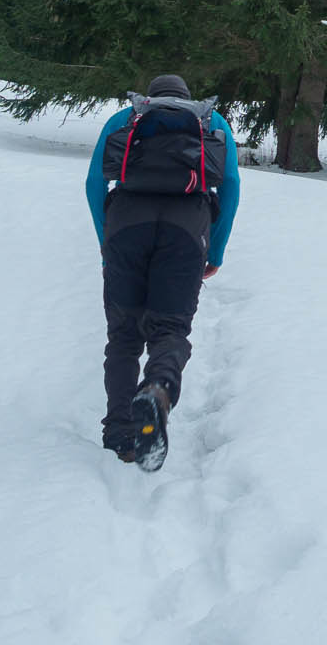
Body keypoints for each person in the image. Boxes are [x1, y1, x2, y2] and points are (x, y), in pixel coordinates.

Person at [85, 73, 240, 469]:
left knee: (122, 337)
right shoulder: (212, 122)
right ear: (187, 97)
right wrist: (215, 251)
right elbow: (231, 187)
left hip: (125, 226)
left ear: (149, 98)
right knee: (170, 329)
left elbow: (93, 183)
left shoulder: (125, 119)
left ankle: (120, 434)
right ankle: (157, 388)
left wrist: (107, 242)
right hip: (186, 231)